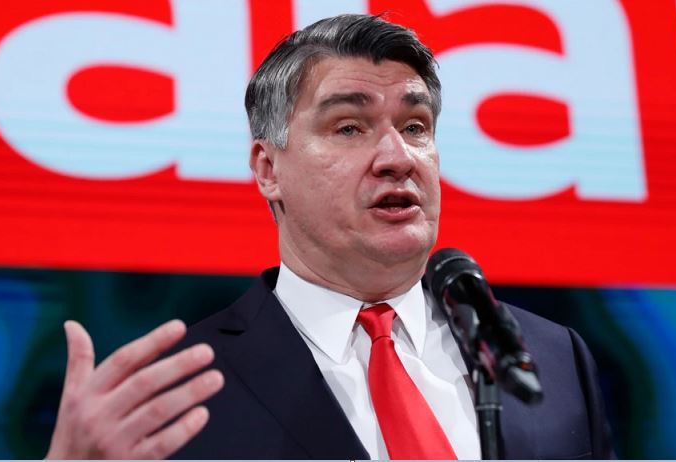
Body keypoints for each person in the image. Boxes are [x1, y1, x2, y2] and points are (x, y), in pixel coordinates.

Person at [45, 14, 614, 460]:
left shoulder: (550, 357)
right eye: (349, 127)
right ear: (269, 169)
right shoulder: (176, 390)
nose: (397, 157)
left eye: (415, 127)